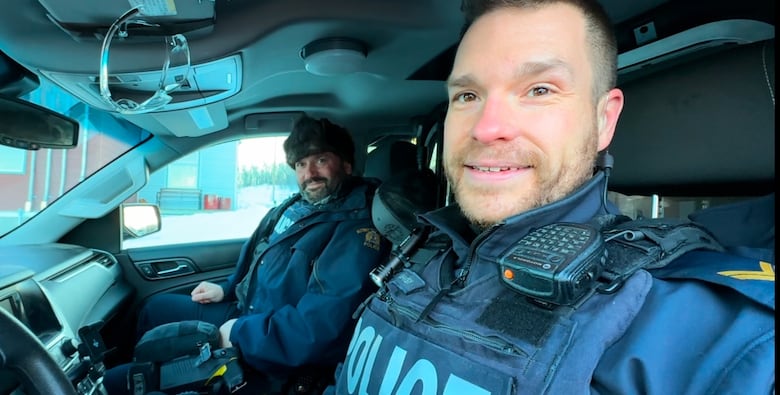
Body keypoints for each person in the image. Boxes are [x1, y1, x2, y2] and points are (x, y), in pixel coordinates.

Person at [326, 1, 774, 394]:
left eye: (539, 90)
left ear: (603, 120)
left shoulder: (701, 328)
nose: (485, 127)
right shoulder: (420, 252)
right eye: (467, 94)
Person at [103, 115, 390, 394]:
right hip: (248, 313)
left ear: (347, 164)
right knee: (155, 308)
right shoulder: (295, 207)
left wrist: (240, 332)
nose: (309, 173)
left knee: (118, 382)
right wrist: (226, 288)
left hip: (271, 348)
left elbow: (318, 328)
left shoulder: (355, 230)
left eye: (321, 160)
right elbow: (259, 259)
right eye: (301, 163)